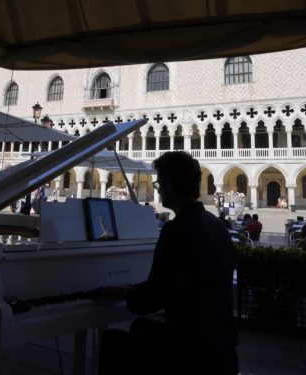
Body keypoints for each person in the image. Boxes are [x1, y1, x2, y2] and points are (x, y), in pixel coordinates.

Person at [98, 151, 238, 375]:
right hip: (222, 349)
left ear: (170, 185)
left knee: (111, 340)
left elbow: (150, 300)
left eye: (160, 183)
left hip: (191, 356)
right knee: (140, 327)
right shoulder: (217, 225)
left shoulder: (177, 229)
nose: (159, 189)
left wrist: (123, 293)